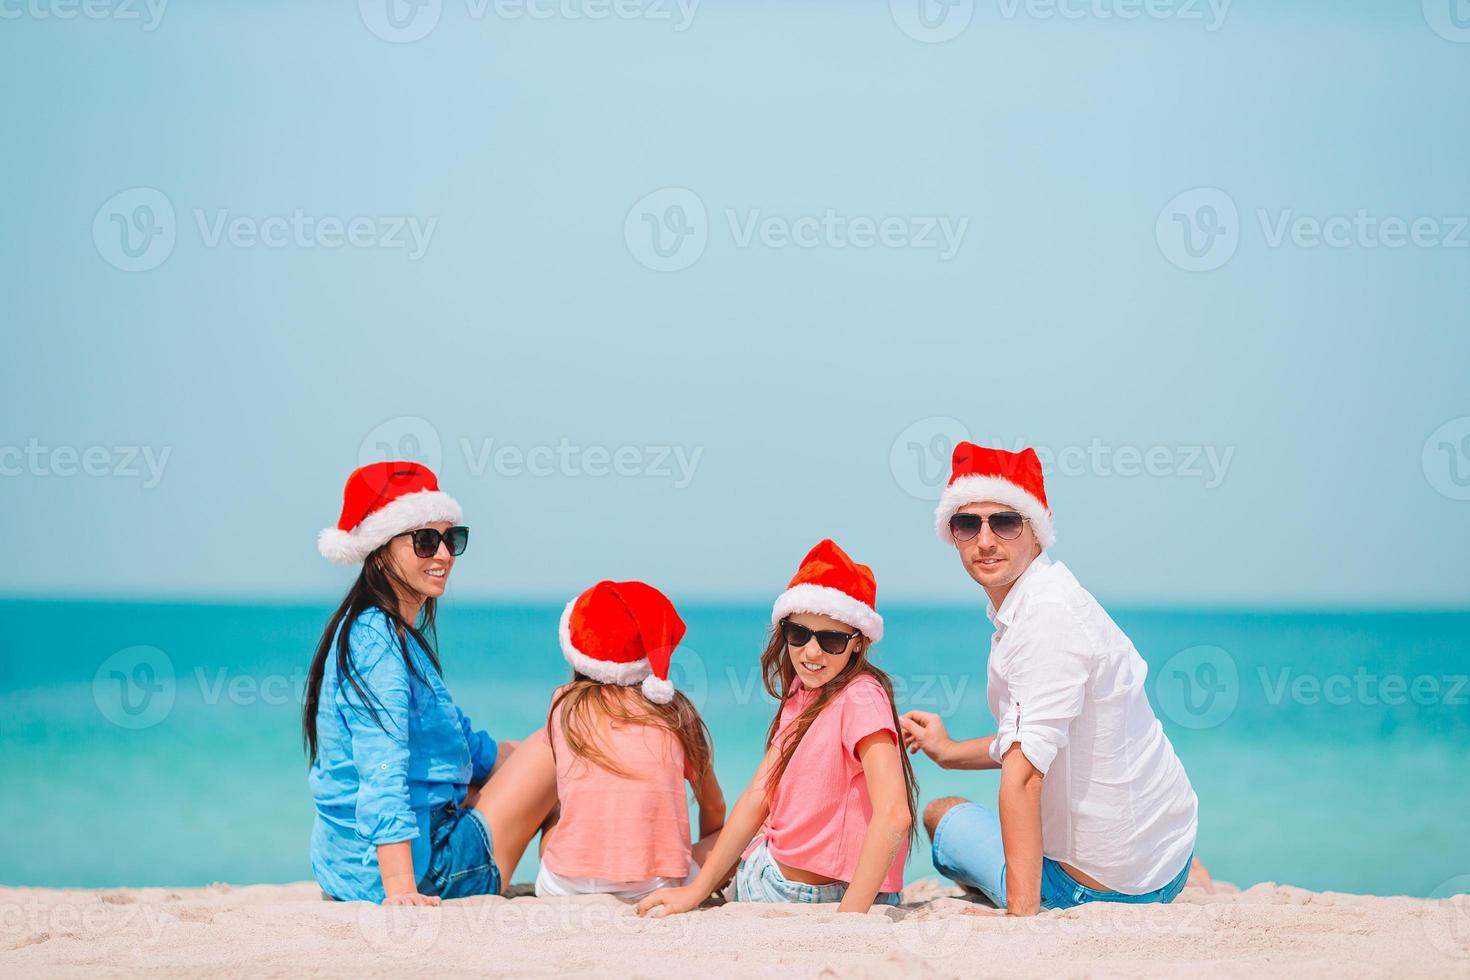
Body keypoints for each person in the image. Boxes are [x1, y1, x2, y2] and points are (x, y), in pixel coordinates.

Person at [901, 442, 1199, 915]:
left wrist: (1023, 924)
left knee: (942, 815)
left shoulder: (1044, 620)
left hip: (1101, 890)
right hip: (1170, 855)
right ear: (952, 534)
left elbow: (1022, 779)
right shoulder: (1052, 595)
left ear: (1036, 533)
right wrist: (949, 751)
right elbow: (1040, 736)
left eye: (1005, 522)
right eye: (967, 523)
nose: (984, 540)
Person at [304, 460, 558, 904]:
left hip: (345, 870)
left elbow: (457, 743)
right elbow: (381, 765)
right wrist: (401, 889)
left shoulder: (384, 632)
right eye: (424, 540)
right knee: (559, 744)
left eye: (451, 539)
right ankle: (575, 881)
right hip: (413, 874)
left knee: (524, 755)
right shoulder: (376, 643)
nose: (442, 554)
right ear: (381, 549)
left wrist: (515, 763)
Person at [638, 540, 916, 916]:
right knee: (725, 844)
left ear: (859, 643)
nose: (811, 653)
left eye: (831, 640)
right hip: (867, 892)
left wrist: (850, 919)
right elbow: (760, 796)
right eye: (798, 634)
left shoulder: (860, 697)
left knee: (691, 857)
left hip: (789, 889)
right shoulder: (811, 692)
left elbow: (895, 813)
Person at [535, 580, 726, 901]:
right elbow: (713, 805)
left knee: (555, 814)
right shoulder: (675, 711)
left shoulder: (563, 705)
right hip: (652, 887)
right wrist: (706, 852)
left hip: (562, 886)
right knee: (735, 841)